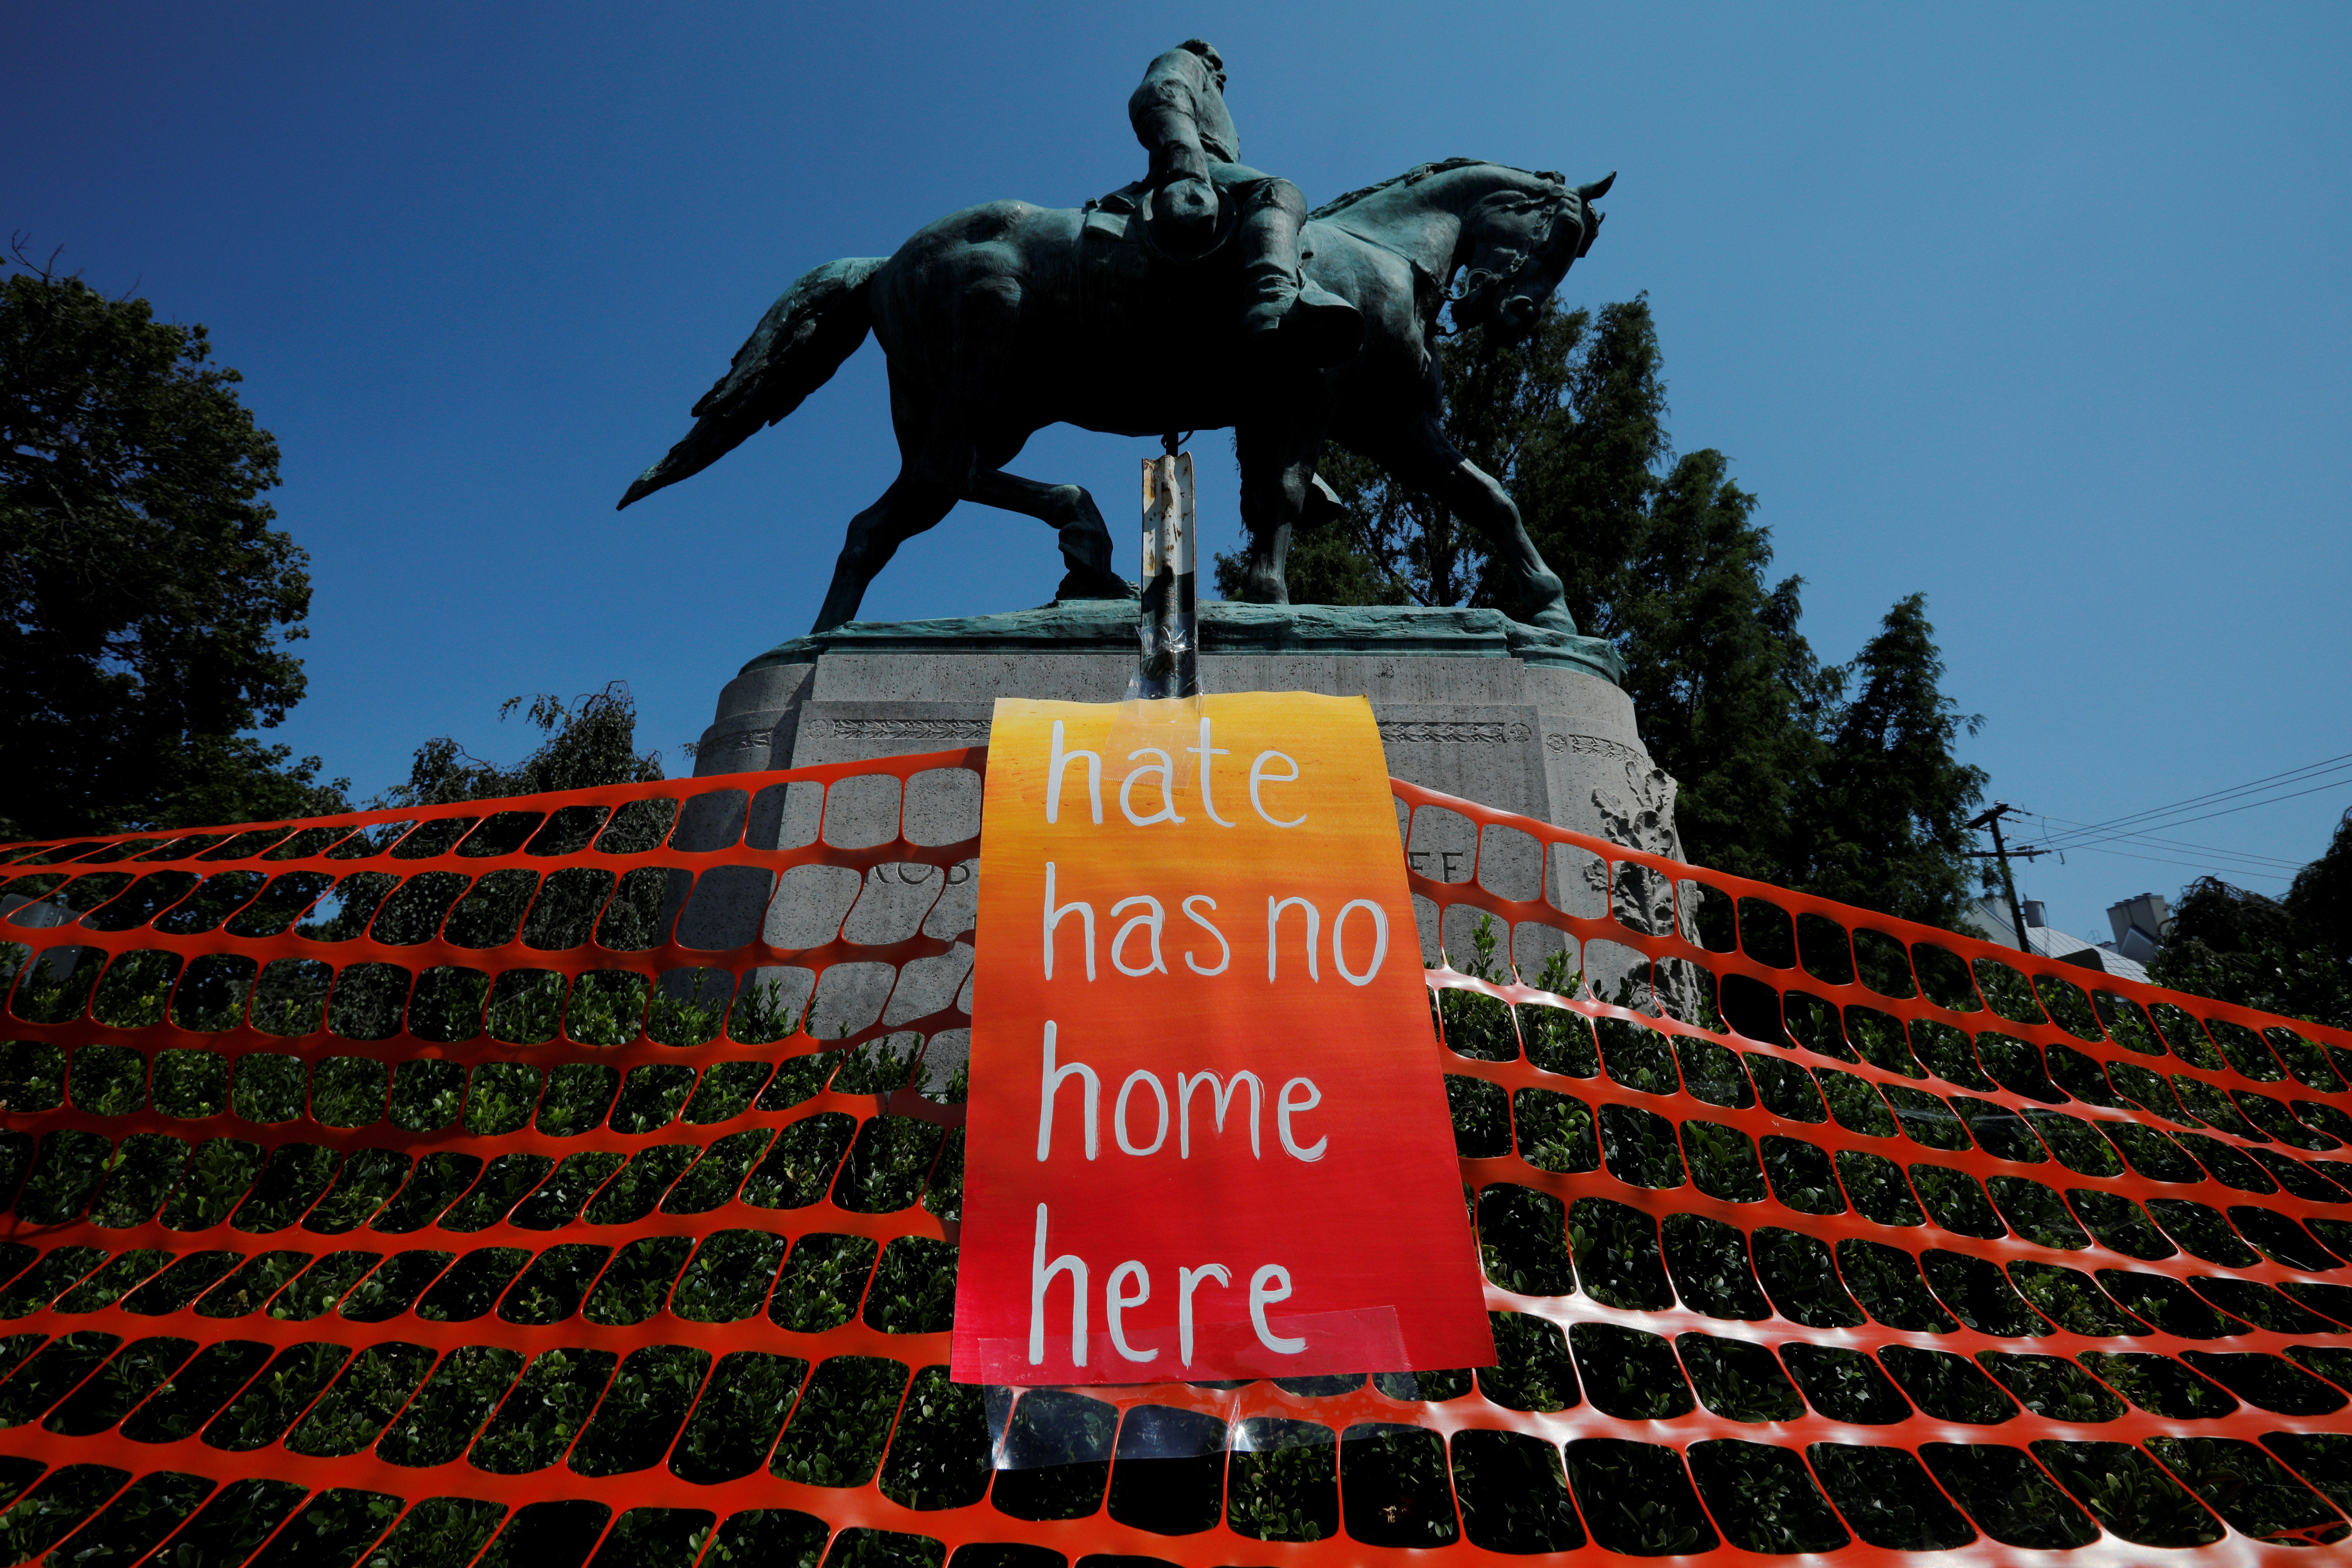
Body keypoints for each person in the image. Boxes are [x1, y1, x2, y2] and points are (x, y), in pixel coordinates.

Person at [1127, 40, 1363, 367]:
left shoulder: (1220, 106)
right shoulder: (1184, 61)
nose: (1222, 71)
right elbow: (1160, 94)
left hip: (1213, 168)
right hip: (1199, 167)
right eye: (1215, 61)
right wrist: (1186, 158)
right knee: (1277, 191)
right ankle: (1273, 297)